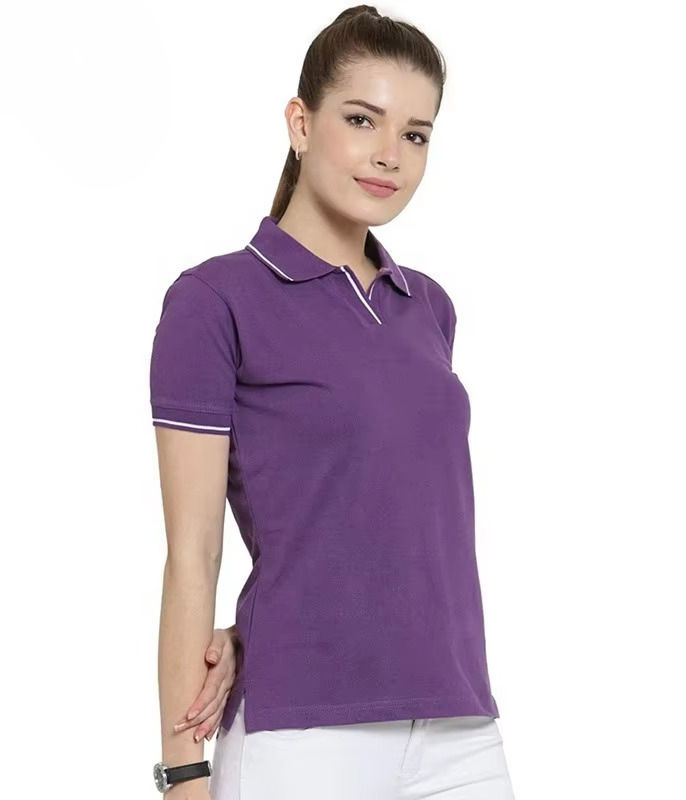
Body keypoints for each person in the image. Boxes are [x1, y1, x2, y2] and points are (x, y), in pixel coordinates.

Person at [149, 5, 515, 798]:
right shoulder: (214, 301)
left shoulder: (428, 306)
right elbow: (193, 554)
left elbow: (383, 514)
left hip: (460, 727)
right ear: (301, 123)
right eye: (361, 119)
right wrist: (183, 771)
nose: (390, 155)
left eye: (416, 134)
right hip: (306, 736)